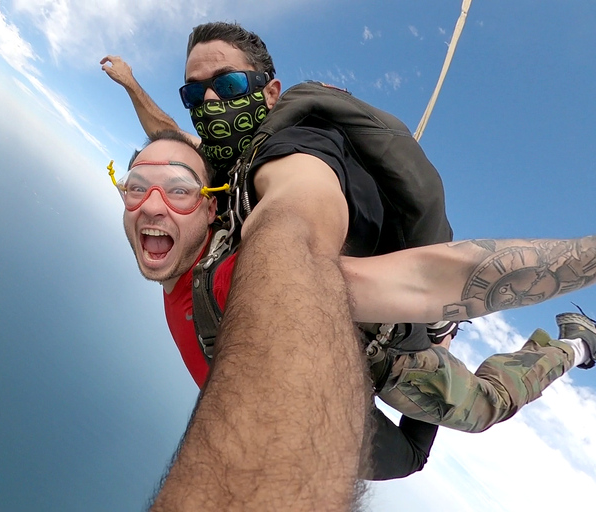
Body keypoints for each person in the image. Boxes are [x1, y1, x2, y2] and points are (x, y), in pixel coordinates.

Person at [115, 132, 596, 510]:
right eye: (134, 188)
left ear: (209, 205)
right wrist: (133, 85)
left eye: (179, 191)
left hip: (381, 366)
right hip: (311, 390)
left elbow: (425, 282)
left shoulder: (240, 277)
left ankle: (571, 346)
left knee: (483, 406)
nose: (152, 204)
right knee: (407, 458)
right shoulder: (183, 252)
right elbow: (168, 155)